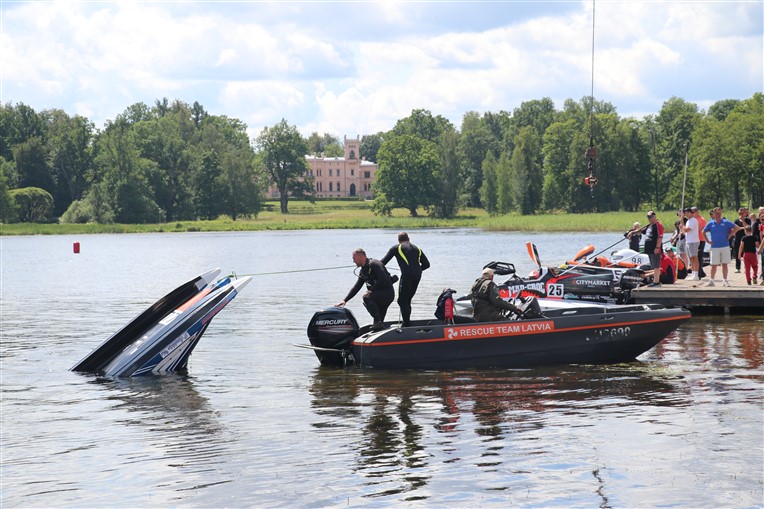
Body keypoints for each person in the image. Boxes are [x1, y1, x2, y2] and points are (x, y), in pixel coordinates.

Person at [336, 248, 395, 329]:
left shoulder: (374, 264)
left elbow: (383, 279)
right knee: (378, 323)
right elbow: (357, 287)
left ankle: (378, 322)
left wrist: (371, 290)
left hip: (387, 293)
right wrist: (345, 300)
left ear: (361, 257)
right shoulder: (363, 271)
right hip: (378, 296)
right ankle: (379, 326)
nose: (353, 261)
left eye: (354, 258)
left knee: (367, 297)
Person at [380, 232, 430, 327]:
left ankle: (406, 324)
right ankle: (407, 322)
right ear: (409, 239)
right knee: (407, 300)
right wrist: (417, 270)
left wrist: (371, 263)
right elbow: (427, 265)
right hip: (418, 275)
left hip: (407, 275)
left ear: (399, 240)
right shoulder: (417, 248)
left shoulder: (396, 248)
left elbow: (382, 263)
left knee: (402, 301)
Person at [702, 207, 742, 287]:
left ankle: (725, 280)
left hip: (725, 245)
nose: (718, 215)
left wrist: (730, 235)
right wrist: (707, 241)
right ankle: (711, 280)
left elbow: (737, 228)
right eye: (716, 213)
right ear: (713, 214)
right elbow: (703, 231)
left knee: (724, 264)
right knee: (713, 264)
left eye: (719, 213)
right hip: (714, 246)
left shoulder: (726, 222)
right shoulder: (711, 223)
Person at [643, 211, 663, 287]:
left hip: (655, 248)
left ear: (654, 217)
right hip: (649, 249)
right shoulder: (649, 225)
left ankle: (656, 282)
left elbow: (660, 237)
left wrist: (657, 247)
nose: (650, 219)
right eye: (648, 217)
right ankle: (654, 280)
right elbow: (641, 231)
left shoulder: (658, 225)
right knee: (653, 265)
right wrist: (632, 232)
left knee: (656, 265)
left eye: (651, 217)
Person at [682, 207, 701, 280]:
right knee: (691, 258)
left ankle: (696, 274)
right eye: (686, 213)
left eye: (688, 213)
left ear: (691, 213)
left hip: (693, 241)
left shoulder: (693, 220)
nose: (686, 214)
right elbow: (685, 231)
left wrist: (682, 226)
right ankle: (693, 273)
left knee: (694, 257)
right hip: (688, 241)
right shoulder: (688, 221)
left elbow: (687, 229)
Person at [732, 207, 751, 273]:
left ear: (745, 213)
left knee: (746, 254)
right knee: (737, 253)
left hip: (746, 239)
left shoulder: (747, 220)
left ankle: (747, 267)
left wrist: (743, 221)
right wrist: (742, 228)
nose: (741, 214)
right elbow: (734, 229)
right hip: (737, 239)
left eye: (742, 213)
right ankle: (738, 267)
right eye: (740, 213)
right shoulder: (736, 221)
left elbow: (748, 228)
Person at [692, 206, 708, 279]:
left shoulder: (702, 220)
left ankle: (699, 273)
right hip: (693, 240)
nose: (692, 213)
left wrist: (695, 225)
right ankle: (700, 272)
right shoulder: (692, 219)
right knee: (693, 256)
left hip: (700, 239)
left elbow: (701, 229)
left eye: (693, 212)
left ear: (697, 212)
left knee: (699, 256)